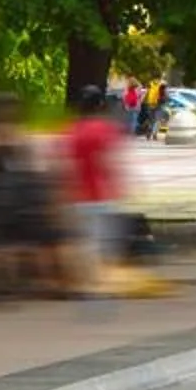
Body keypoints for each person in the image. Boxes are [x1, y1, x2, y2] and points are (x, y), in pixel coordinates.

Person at [0, 93, 71, 294]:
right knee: (8, 242)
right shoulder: (10, 134)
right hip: (8, 193)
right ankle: (8, 283)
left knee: (7, 243)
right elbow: (25, 159)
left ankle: (7, 283)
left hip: (4, 192)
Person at [59, 85, 128, 293]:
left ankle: (84, 283)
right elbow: (108, 162)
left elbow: (64, 166)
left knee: (83, 243)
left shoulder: (72, 131)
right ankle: (97, 285)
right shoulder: (104, 130)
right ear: (100, 105)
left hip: (77, 196)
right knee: (103, 243)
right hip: (100, 196)